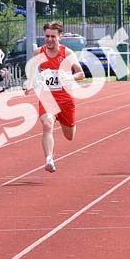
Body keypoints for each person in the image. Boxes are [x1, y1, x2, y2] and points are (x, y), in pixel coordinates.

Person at [36, 21, 85, 173]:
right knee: (47, 124)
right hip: (47, 97)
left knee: (69, 135)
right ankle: (49, 159)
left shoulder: (67, 53)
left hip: (65, 99)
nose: (49, 39)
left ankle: (66, 123)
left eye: (53, 36)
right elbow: (33, 71)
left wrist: (69, 78)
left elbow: (81, 73)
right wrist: (29, 83)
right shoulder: (38, 53)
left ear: (60, 37)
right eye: (47, 36)